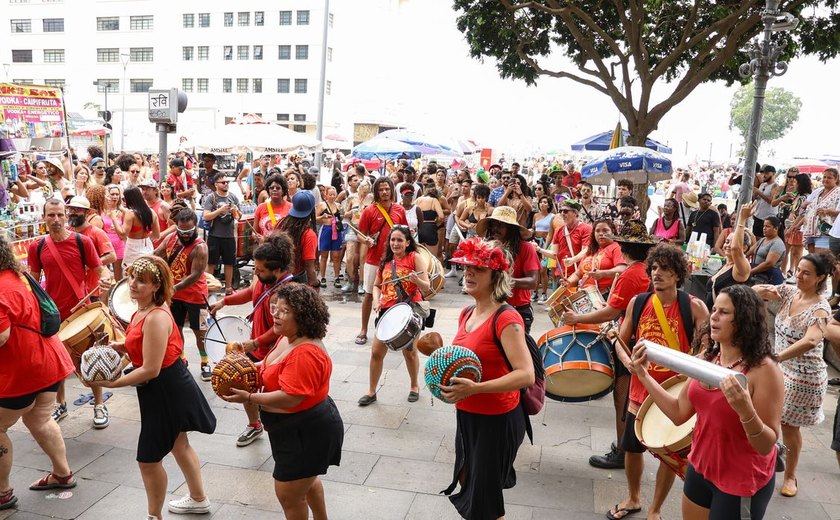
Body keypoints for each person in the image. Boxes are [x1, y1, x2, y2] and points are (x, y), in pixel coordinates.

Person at [630, 285, 783, 519]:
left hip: (740, 480)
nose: (714, 316)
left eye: (724, 312)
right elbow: (679, 412)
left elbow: (765, 445)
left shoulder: (764, 370)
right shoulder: (707, 359)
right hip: (700, 468)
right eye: (714, 309)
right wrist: (644, 376)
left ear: (744, 319)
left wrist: (745, 411)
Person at [89, 256, 215, 520]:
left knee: (148, 460)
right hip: (165, 387)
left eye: (142, 281)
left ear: (156, 286)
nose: (133, 284)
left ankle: (153, 516)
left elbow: (150, 369)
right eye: (132, 277)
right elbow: (145, 346)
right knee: (180, 444)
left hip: (166, 390)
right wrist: (123, 347)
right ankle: (198, 498)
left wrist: (111, 383)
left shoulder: (156, 316)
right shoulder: (142, 310)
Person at [221, 284, 343, 520]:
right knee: (306, 483)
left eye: (284, 310)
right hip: (292, 429)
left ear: (302, 316)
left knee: (290, 494)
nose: (275, 313)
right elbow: (268, 367)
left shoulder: (306, 353)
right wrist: (240, 367)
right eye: (275, 307)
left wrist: (249, 398)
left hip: (306, 431)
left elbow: (291, 397)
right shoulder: (288, 338)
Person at [609, 244, 708, 520]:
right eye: (654, 268)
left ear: (678, 274)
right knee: (631, 447)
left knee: (670, 453)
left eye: (664, 269)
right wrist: (627, 362)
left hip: (675, 395)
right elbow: (621, 339)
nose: (657, 273)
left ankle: (655, 509)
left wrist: (691, 366)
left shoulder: (694, 307)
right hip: (639, 392)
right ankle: (633, 497)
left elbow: (707, 349)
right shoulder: (638, 303)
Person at [439, 237, 534, 520]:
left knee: (486, 503)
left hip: (496, 419)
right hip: (468, 415)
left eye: (477, 269)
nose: (468, 273)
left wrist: (477, 388)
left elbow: (525, 374)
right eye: (466, 268)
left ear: (495, 276)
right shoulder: (466, 312)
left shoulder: (507, 318)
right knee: (470, 484)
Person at [562, 220, 656, 471]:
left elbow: (610, 312)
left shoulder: (630, 274)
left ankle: (623, 451)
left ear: (623, 247)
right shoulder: (646, 270)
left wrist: (577, 318)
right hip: (643, 337)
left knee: (623, 398)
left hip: (631, 341)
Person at [0, 234, 79, 511]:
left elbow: (1, 336)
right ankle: (62, 473)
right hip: (49, 362)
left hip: (23, 370)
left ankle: (2, 493)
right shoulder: (18, 275)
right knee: (40, 419)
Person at [752, 252, 833, 498]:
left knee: (788, 426)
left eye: (807, 273)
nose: (799, 275)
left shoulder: (820, 308)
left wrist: (776, 358)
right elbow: (754, 291)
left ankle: (790, 476)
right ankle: (766, 461)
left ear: (820, 278)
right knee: (765, 416)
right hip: (778, 368)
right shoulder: (789, 293)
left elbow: (811, 340)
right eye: (798, 270)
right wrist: (761, 290)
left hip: (804, 376)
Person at [27, 198, 113, 425]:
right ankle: (60, 404)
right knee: (57, 364)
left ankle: (99, 405)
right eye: (50, 215)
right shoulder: (37, 247)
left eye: (59, 215)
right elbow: (33, 283)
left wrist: (105, 280)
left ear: (66, 216)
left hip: (81, 312)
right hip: (53, 314)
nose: (55, 220)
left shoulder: (82, 241)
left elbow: (102, 271)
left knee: (90, 359)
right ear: (43, 217)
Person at [210, 233, 294, 446]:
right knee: (247, 386)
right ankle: (254, 424)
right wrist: (224, 302)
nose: (256, 273)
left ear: (277, 270)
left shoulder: (285, 293)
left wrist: (257, 342)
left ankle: (281, 431)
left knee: (273, 397)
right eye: (255, 269)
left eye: (260, 270)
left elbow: (279, 330)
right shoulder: (263, 279)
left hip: (275, 352)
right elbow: (250, 292)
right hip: (255, 346)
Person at [357, 226, 431, 406]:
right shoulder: (385, 262)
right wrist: (376, 300)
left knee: (410, 352)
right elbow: (376, 285)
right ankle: (371, 391)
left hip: (409, 310)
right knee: (376, 352)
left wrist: (417, 281)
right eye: (392, 240)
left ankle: (414, 386)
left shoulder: (415, 258)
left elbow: (427, 287)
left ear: (407, 242)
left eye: (399, 240)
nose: (395, 243)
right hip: (387, 312)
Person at [153, 210, 211, 381]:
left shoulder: (200, 247)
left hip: (196, 296)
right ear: (176, 227)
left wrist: (172, 289)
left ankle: (205, 361)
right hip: (175, 295)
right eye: (182, 231)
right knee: (175, 329)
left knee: (200, 331)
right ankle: (181, 358)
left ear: (195, 227)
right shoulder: (171, 238)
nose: (185, 235)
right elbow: (157, 254)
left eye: (189, 231)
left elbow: (195, 275)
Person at [355, 177, 408, 345]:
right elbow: (360, 233)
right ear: (376, 192)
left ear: (392, 190)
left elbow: (406, 233)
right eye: (381, 189)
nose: (384, 192)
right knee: (370, 295)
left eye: (387, 189)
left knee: (395, 294)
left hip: (394, 260)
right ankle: (363, 329)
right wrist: (366, 241)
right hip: (373, 260)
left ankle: (393, 330)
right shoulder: (369, 211)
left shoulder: (399, 209)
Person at [476, 206, 540, 334]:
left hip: (517, 309)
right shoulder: (486, 248)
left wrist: (503, 279)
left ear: (511, 229)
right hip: (490, 306)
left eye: (500, 226)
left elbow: (533, 282)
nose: (495, 229)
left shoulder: (526, 248)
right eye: (493, 225)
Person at [705, 203, 753, 310]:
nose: (727, 245)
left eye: (730, 243)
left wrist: (741, 219)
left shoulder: (741, 268)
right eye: (726, 242)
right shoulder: (727, 264)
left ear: (744, 248)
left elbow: (736, 249)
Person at [564, 218, 626, 295]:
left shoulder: (616, 248)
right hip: (584, 294)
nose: (601, 233)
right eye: (597, 231)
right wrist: (568, 282)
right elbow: (578, 274)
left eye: (605, 230)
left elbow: (623, 269)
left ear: (612, 232)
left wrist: (602, 273)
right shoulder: (591, 250)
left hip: (603, 296)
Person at [203, 175, 241, 295]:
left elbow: (239, 217)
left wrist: (235, 211)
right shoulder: (211, 197)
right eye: (223, 182)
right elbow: (206, 216)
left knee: (229, 262)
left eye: (227, 182)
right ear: (216, 184)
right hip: (214, 235)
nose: (225, 184)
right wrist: (220, 210)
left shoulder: (233, 197)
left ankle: (228, 288)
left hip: (229, 235)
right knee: (211, 263)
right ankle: (209, 286)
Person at [276, 192, 319, 289]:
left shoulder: (281, 225)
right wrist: (316, 285)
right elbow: (309, 268)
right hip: (296, 286)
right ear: (312, 210)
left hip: (277, 282)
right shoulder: (308, 234)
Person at [546, 199, 592, 280]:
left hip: (580, 274)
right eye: (561, 211)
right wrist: (538, 249)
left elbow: (585, 251)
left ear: (575, 213)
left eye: (566, 211)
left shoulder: (586, 228)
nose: (562, 214)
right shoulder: (558, 230)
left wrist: (572, 260)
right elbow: (554, 254)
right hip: (562, 274)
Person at [116, 186, 161, 267]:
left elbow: (122, 234)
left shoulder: (130, 214)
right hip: (148, 247)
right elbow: (157, 235)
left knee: (131, 274)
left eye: (124, 199)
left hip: (133, 248)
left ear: (128, 199)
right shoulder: (151, 212)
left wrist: (113, 218)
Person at [801, 167, 840, 254]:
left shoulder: (838, 192)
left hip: (824, 231)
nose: (826, 179)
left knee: (821, 260)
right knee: (812, 260)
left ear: (836, 179)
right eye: (824, 177)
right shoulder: (819, 191)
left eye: (829, 178)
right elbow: (806, 207)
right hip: (811, 230)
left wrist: (828, 211)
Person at [315, 186, 344, 289]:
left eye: (334, 194)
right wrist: (323, 217)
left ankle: (336, 277)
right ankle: (323, 277)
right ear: (326, 195)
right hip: (326, 230)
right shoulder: (321, 205)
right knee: (324, 256)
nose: (332, 196)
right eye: (330, 194)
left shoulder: (339, 205)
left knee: (336, 256)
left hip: (336, 231)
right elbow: (315, 218)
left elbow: (342, 218)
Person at [748, 216, 786, 284]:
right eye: (764, 226)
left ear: (776, 228)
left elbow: (769, 263)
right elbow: (749, 251)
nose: (764, 228)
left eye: (767, 226)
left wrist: (751, 271)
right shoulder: (762, 240)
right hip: (757, 273)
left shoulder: (777, 243)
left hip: (768, 277)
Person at [254, 174, 291, 238]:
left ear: (283, 191)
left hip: (283, 247)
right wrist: (256, 237)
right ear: (268, 190)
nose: (274, 189)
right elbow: (254, 231)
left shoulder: (291, 207)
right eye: (271, 188)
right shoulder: (260, 207)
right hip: (265, 246)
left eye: (278, 188)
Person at [415, 181, 446, 258]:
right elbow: (441, 216)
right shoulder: (434, 200)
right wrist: (437, 223)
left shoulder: (418, 199)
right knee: (432, 257)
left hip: (419, 228)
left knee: (421, 256)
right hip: (430, 227)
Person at [751, 164, 778, 238]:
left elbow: (771, 201)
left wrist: (759, 192)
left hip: (767, 217)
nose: (764, 175)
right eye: (763, 173)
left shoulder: (775, 186)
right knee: (756, 238)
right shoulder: (762, 185)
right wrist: (755, 195)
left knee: (765, 238)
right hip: (758, 216)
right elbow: (757, 198)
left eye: (766, 173)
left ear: (773, 174)